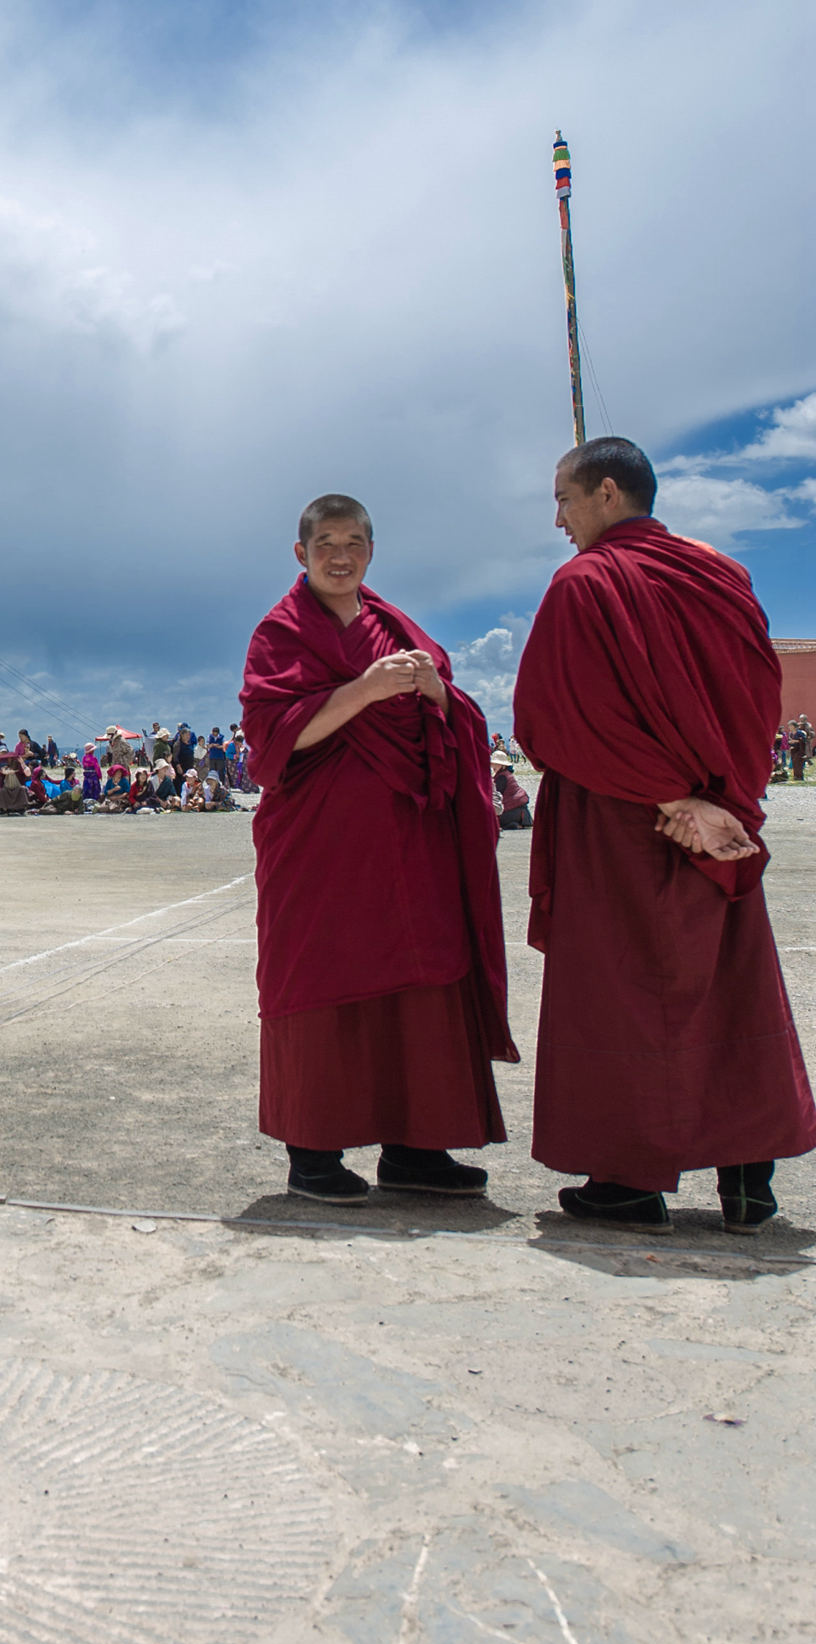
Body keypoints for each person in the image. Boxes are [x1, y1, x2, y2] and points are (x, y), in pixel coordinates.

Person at [513, 437, 815, 1231]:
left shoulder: (583, 584)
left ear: (608, 494)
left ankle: (629, 1180)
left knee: (622, 995)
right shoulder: (722, 576)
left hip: (618, 826)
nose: (558, 519)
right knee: (726, 984)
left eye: (564, 499)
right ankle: (749, 1178)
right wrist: (720, 802)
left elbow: (552, 722)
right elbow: (756, 701)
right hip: (713, 823)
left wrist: (672, 796)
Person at [241, 492, 516, 1204]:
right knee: (321, 980)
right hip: (322, 851)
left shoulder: (393, 624)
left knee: (422, 980)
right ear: (300, 553)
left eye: (354, 542)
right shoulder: (280, 631)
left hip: (409, 843)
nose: (341, 556)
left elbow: (460, 720)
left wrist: (438, 695)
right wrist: (363, 691)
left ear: (371, 550)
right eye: (326, 542)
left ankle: (417, 1148)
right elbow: (273, 742)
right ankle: (313, 1153)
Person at [491, 752, 531, 831]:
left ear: (503, 765)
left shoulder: (502, 777)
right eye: (493, 763)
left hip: (514, 812)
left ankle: (512, 825)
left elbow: (495, 798)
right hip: (520, 812)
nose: (493, 766)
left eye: (496, 764)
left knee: (491, 820)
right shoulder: (506, 774)